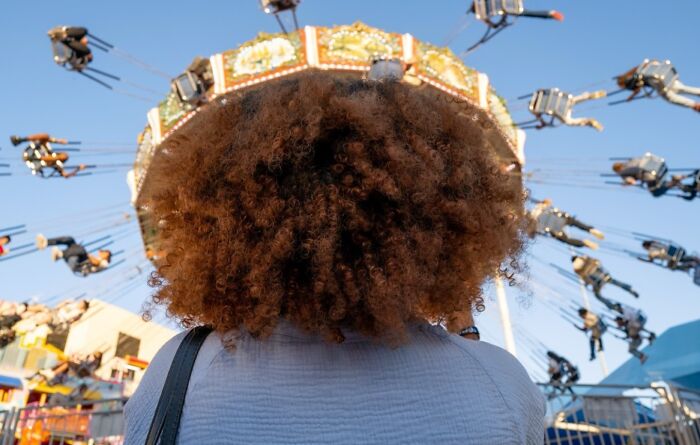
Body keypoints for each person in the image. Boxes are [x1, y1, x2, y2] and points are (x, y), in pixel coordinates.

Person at [124, 72, 543, 444]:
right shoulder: (501, 384)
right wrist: (465, 331)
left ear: (229, 216)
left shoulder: (180, 370)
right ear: (437, 218)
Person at [616, 60, 700, 112]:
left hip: (656, 79)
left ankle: (694, 105)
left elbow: (637, 83)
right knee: (680, 88)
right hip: (664, 76)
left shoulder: (630, 79)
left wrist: (631, 97)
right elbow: (638, 86)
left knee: (669, 96)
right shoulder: (633, 73)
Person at [530, 199, 604, 249]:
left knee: (566, 240)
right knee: (574, 222)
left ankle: (583, 243)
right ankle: (590, 230)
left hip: (553, 228)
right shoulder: (542, 207)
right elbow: (548, 202)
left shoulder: (533, 217)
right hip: (560, 220)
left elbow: (533, 232)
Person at [11, 133, 86, 178]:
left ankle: (38, 158)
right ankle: (20, 140)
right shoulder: (49, 150)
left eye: (63, 158)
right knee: (46, 135)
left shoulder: (57, 165)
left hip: (36, 161)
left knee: (62, 157)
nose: (62, 155)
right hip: (30, 151)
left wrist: (78, 169)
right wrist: (58, 141)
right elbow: (46, 138)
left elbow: (65, 175)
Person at [35, 234, 111, 276]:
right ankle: (46, 242)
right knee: (70, 240)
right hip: (73, 257)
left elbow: (95, 263)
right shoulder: (98, 258)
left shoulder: (105, 263)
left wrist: (88, 255)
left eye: (103, 252)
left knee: (81, 250)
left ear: (107, 255)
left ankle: (61, 254)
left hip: (77, 265)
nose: (100, 253)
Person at [572, 255, 639, 300]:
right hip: (603, 275)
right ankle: (629, 289)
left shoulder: (577, 269)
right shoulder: (586, 258)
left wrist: (587, 284)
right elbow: (598, 262)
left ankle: (611, 305)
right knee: (616, 283)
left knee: (597, 295)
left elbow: (585, 279)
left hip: (597, 281)